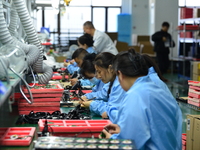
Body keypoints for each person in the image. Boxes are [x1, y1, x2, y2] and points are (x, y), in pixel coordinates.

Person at [101, 49, 182, 150]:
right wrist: (124, 129)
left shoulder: (135, 95)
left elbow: (128, 145)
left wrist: (112, 140)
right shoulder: (159, 90)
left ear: (120, 75)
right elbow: (158, 130)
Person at [80, 52, 125, 122]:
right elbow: (111, 104)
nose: (98, 76)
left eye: (99, 72)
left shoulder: (119, 85)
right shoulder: (113, 82)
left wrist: (92, 104)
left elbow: (112, 111)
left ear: (110, 68)